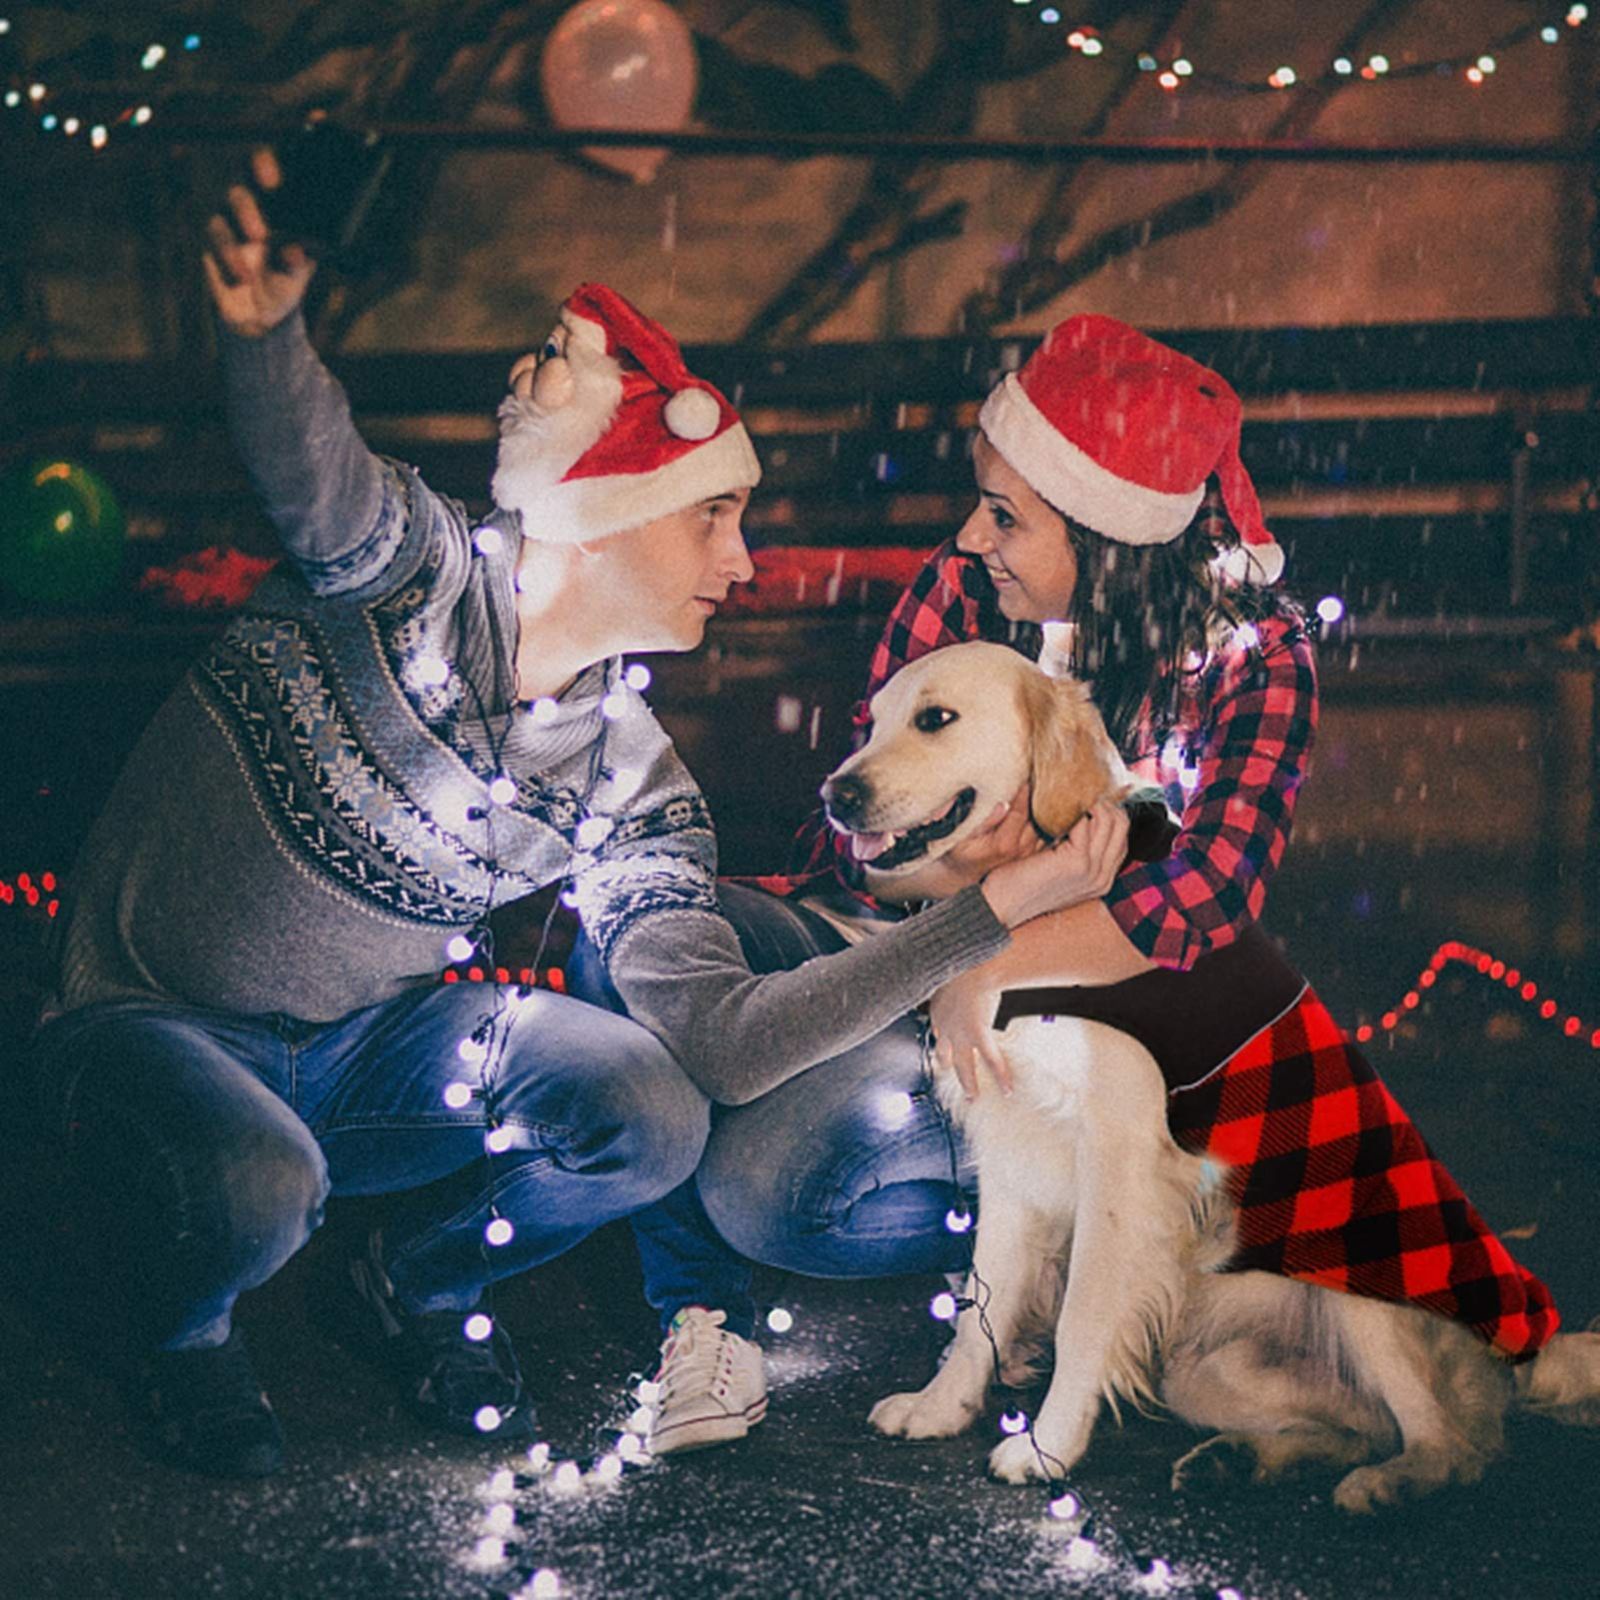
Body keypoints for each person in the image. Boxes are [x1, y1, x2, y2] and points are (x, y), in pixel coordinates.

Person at [25, 153, 1106, 1480]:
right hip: (144, 1030)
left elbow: (714, 1044)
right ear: (610, 520)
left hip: (365, 1053)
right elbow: (312, 469)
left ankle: (412, 1286)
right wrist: (266, 336)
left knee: (644, 1106)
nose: (742, 563)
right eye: (717, 518)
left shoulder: (627, 770)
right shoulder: (410, 575)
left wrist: (979, 923)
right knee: (259, 1182)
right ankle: (180, 1337)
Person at [600, 312, 1558, 1456]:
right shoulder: (962, 592)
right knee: (639, 941)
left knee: (773, 1185)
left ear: (1109, 536)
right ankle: (708, 1318)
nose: (970, 536)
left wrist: (982, 960)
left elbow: (1195, 904)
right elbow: (875, 825)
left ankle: (1023, 1283)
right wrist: (985, 907)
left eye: (1006, 512)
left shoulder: (1253, 655)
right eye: (980, 501)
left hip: (1052, 1029)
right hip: (878, 946)